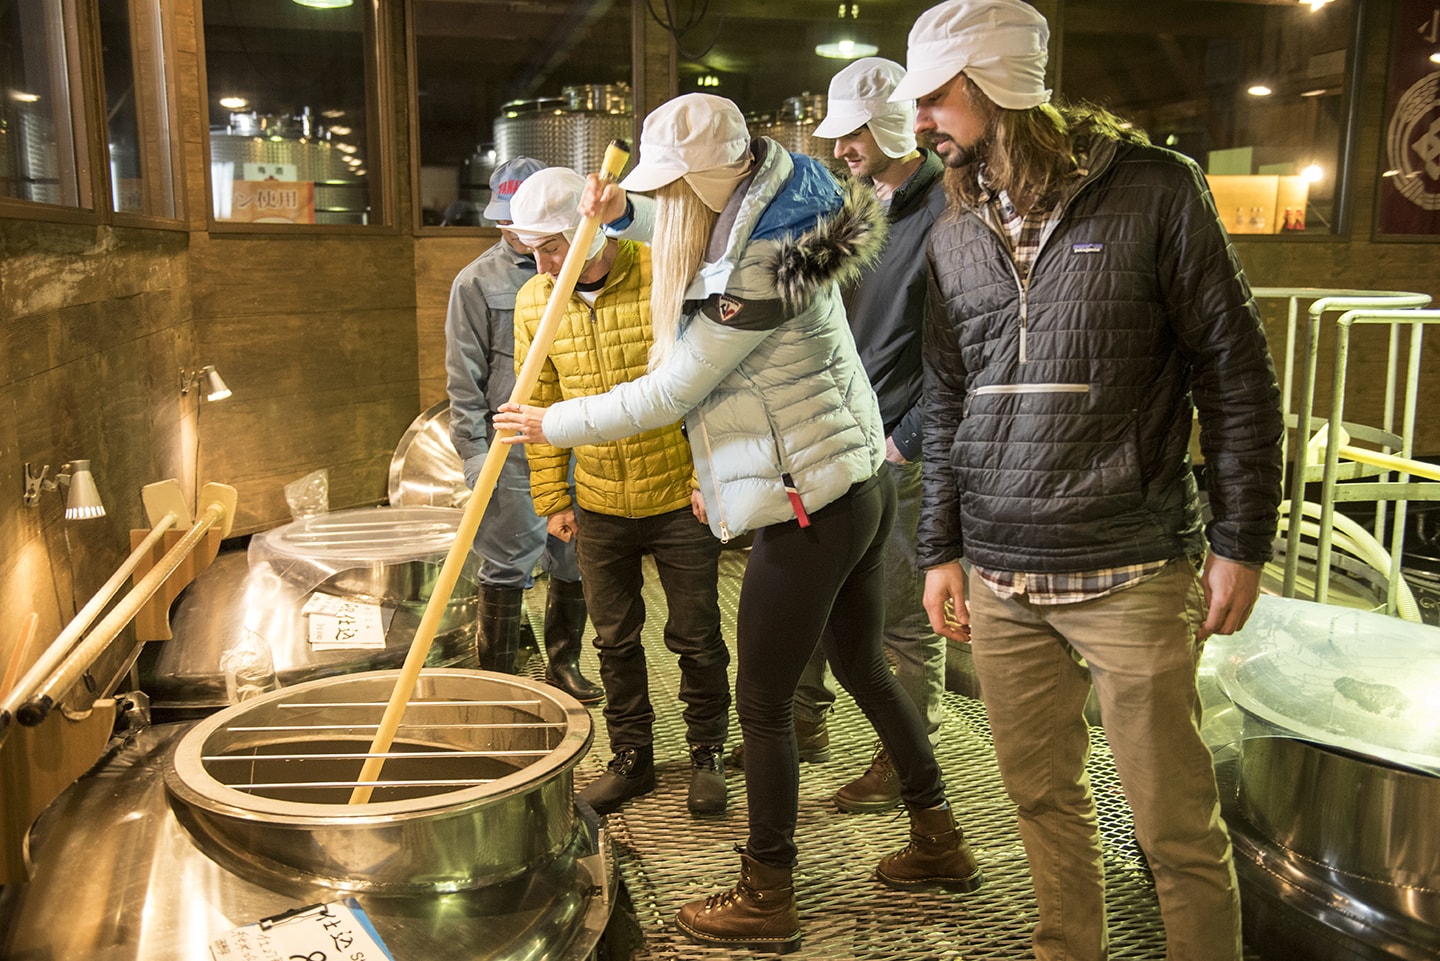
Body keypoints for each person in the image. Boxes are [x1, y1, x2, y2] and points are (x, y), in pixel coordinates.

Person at [495, 93, 983, 954]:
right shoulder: (783, 201)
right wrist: (628, 210)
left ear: (711, 175)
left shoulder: (761, 271)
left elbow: (671, 391)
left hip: (808, 507)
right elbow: (696, 226)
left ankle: (768, 891)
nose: (668, 202)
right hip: (851, 483)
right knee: (864, 664)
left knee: (759, 701)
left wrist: (549, 424)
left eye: (671, 186)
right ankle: (939, 836)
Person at [895, 2, 1284, 960]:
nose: (919, 123)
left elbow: (1233, 371)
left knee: (1174, 827)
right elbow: (949, 398)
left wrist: (1243, 538)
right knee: (1038, 797)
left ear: (996, 86)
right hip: (1001, 569)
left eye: (937, 97)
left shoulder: (1156, 190)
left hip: (1131, 561)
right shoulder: (953, 229)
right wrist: (941, 549)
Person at [505, 166, 732, 818]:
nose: (545, 263)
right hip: (599, 496)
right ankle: (631, 755)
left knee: (696, 633)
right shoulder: (535, 301)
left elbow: (710, 383)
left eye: (554, 245)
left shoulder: (663, 271)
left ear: (596, 226)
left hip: (676, 491)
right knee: (614, 637)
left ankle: (706, 752)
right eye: (535, 251)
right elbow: (538, 401)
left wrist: (705, 479)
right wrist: (552, 494)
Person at [778, 55, 953, 814]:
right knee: (812, 589)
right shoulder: (852, 205)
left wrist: (904, 439)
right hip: (830, 432)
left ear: (888, 124)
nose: (841, 145)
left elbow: (959, 351)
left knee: (902, 615)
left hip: (892, 446)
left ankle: (902, 755)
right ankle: (805, 720)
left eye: (853, 132)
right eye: (837, 132)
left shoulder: (946, 211)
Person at [443, 156, 602, 703]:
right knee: (507, 561)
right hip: (509, 446)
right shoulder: (475, 283)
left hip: (573, 434)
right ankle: (500, 681)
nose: (516, 232)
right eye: (507, 220)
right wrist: (472, 459)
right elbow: (463, 383)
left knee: (574, 554)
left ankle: (564, 665)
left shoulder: (584, 269)